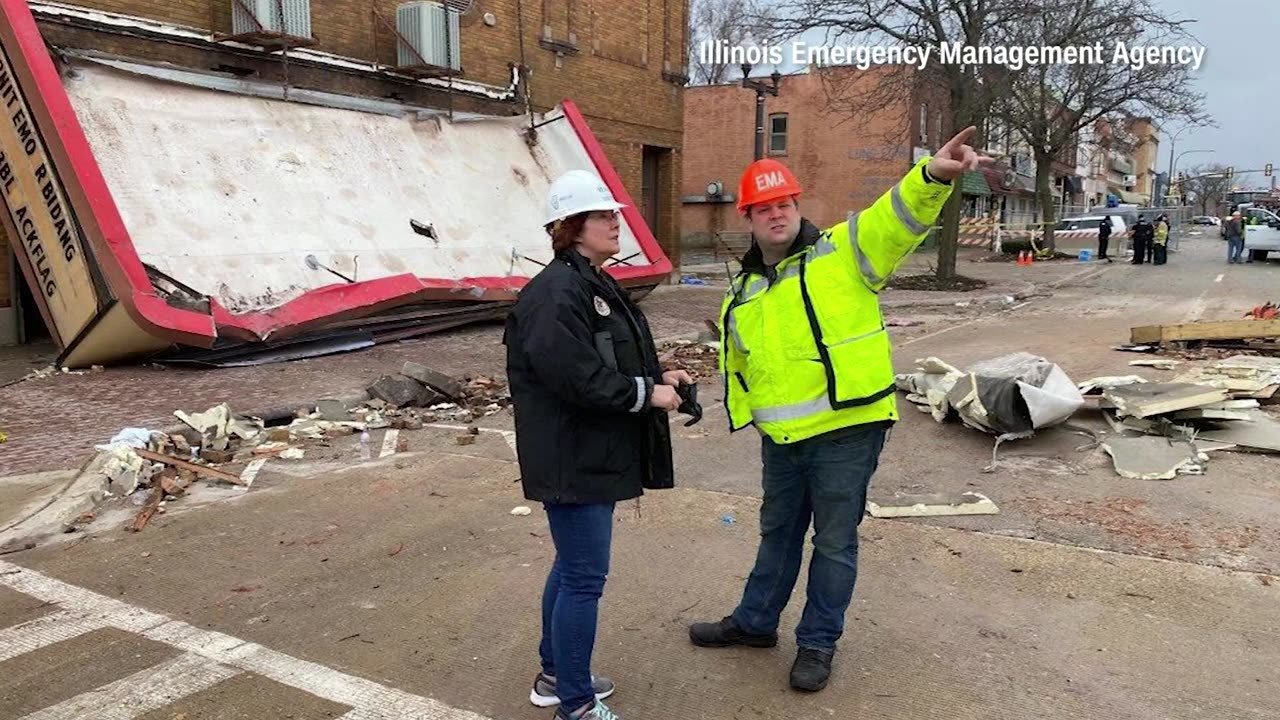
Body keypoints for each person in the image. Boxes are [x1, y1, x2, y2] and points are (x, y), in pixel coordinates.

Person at [688, 127, 992, 692]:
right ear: (748, 218)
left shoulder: (845, 251)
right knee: (776, 534)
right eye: (763, 208)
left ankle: (817, 643)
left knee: (833, 540)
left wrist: (932, 177)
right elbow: (744, 368)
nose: (776, 215)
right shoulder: (744, 291)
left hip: (848, 430)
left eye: (784, 204)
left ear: (797, 207)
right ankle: (755, 623)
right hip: (783, 441)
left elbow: (894, 216)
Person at [504, 169, 689, 720]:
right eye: (604, 214)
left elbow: (608, 352)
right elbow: (577, 377)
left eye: (614, 212)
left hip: (589, 452)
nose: (617, 221)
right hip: (572, 457)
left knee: (572, 567)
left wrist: (662, 375)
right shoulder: (557, 294)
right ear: (572, 225)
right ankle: (576, 705)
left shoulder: (586, 280)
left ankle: (557, 675)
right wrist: (645, 395)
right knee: (584, 577)